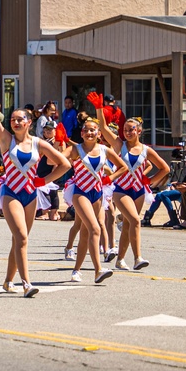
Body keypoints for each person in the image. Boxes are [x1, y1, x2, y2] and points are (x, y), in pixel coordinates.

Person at [0, 70, 70, 297]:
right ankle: (26, 283)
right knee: (21, 237)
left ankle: (8, 281)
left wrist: (44, 180)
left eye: (20, 119)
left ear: (29, 122)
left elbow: (64, 165)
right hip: (10, 193)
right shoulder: (5, 139)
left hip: (31, 194)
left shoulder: (39, 143)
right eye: (13, 120)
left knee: (20, 240)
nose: (16, 122)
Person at [92, 92, 170, 270]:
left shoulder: (146, 150)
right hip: (121, 190)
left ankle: (120, 260)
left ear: (139, 131)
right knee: (135, 220)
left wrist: (149, 182)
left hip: (139, 191)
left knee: (128, 225)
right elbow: (103, 128)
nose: (127, 132)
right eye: (125, 130)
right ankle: (138, 258)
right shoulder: (120, 145)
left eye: (131, 130)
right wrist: (99, 109)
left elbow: (165, 168)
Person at [64, 110, 129, 285]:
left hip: (98, 193)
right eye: (86, 130)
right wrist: (58, 142)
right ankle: (98, 270)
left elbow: (122, 167)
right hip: (80, 193)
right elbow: (59, 161)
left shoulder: (104, 150)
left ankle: (76, 270)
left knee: (86, 233)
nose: (89, 132)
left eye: (93, 130)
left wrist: (110, 178)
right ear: (82, 133)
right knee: (95, 229)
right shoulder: (75, 150)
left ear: (99, 134)